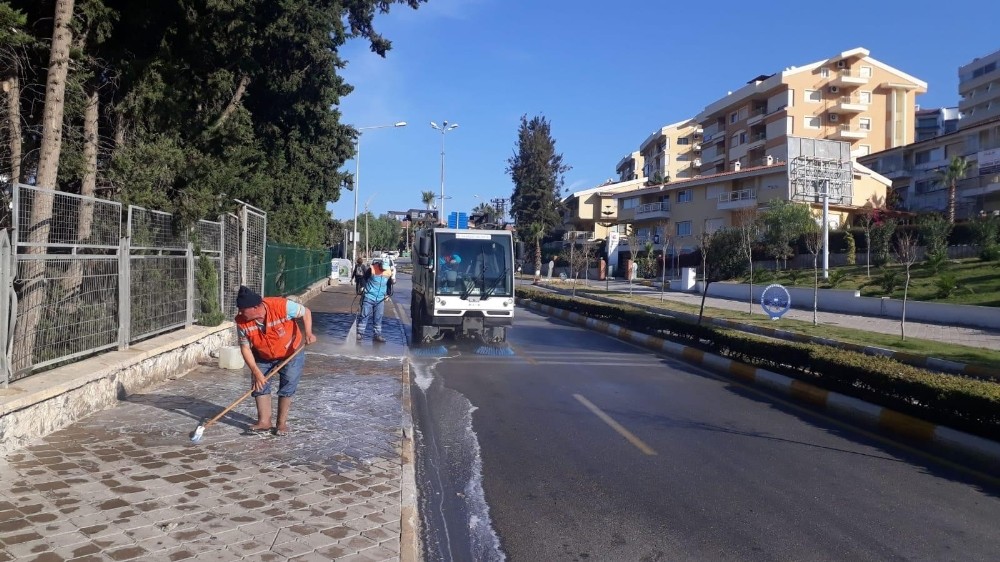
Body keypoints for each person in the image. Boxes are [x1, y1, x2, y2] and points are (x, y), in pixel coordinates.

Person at [235, 286, 317, 436]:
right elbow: (245, 348)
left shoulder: (281, 306)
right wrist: (255, 371)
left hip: (291, 351)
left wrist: (309, 333)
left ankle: (281, 424)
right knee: (259, 384)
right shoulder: (241, 322)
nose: (240, 313)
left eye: (242, 309)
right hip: (263, 354)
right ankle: (264, 422)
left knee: (288, 383)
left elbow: (306, 312)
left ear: (255, 307)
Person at [357, 259, 392, 343]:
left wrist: (388, 294)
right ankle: (360, 334)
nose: (383, 270)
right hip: (369, 295)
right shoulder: (372, 269)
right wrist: (362, 287)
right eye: (382, 268)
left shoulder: (388, 271)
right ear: (380, 264)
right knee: (364, 315)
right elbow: (364, 278)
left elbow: (388, 283)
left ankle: (377, 335)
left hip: (380, 298)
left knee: (378, 317)